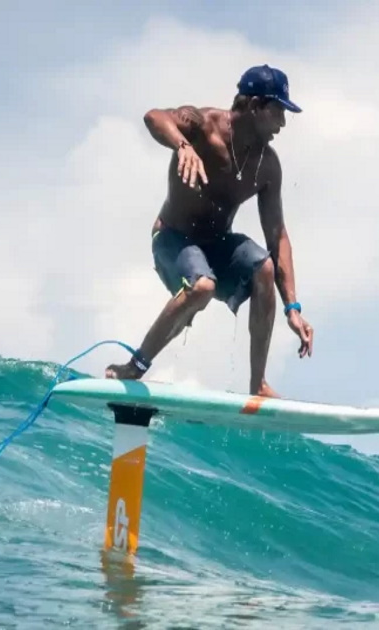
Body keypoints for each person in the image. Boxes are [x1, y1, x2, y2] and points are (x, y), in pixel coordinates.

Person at [104, 64, 314, 398]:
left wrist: (293, 307)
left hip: (217, 246)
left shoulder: (267, 166)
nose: (282, 124)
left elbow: (277, 235)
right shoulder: (202, 125)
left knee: (264, 268)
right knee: (201, 286)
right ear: (255, 106)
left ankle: (257, 384)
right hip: (173, 239)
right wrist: (182, 146)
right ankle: (135, 366)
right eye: (277, 112)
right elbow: (154, 117)